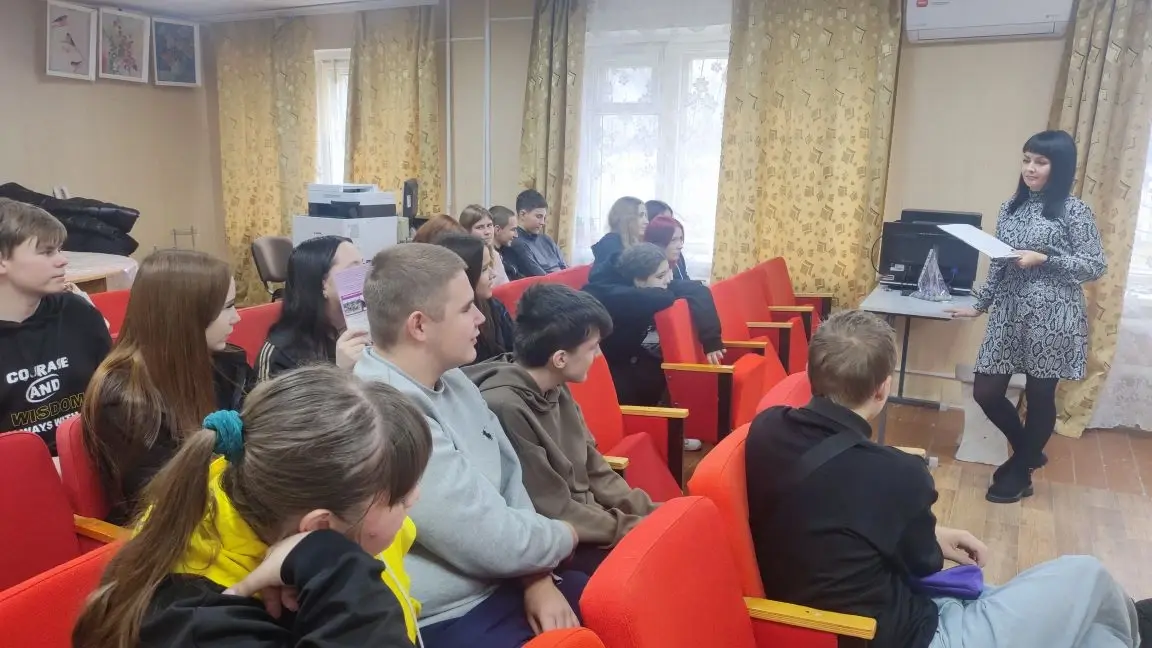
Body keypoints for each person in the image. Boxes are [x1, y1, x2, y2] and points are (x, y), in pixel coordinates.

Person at [746, 310, 1145, 648]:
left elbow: (831, 510)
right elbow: (924, 563)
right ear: (883, 389)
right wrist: (926, 536)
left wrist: (932, 534)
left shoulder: (766, 428)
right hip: (918, 636)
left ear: (810, 372)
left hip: (863, 615)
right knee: (1087, 575)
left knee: (1097, 637)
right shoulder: (899, 474)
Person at [72, 365, 434, 648]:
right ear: (319, 529)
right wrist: (332, 565)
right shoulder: (202, 628)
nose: (415, 498)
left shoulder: (241, 490)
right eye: (400, 498)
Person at [354, 243, 584, 648]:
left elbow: (511, 479)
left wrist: (536, 576)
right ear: (419, 326)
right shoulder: (385, 413)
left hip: (505, 576)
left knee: (610, 594)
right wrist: (568, 534)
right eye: (465, 309)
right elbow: (485, 538)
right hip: (451, 615)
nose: (481, 316)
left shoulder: (453, 377)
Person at [945, 130, 1107, 504]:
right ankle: (1029, 453)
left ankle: (1019, 472)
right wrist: (979, 305)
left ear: (1059, 166)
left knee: (1039, 393)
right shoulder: (1010, 207)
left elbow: (1095, 265)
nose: (1030, 168)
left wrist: (1045, 258)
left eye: (1040, 162)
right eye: (1027, 160)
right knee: (986, 391)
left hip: (1053, 314)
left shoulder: (1074, 210)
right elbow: (998, 263)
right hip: (1009, 311)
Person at [465, 284, 658, 575]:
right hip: (561, 539)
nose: (598, 356)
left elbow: (594, 467)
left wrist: (651, 512)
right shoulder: (504, 406)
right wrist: (634, 528)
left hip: (592, 520)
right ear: (560, 358)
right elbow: (552, 507)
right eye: (592, 347)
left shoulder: (555, 383)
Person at [82, 249, 253, 525]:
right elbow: (161, 502)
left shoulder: (225, 364)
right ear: (186, 315)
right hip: (179, 529)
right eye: (228, 306)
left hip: (232, 506)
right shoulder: (125, 399)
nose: (237, 318)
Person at [0, 199, 112, 452]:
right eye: (47, 252)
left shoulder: (79, 313)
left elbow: (112, 397)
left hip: (90, 459)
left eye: (59, 250)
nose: (62, 260)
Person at [256, 236, 368, 380]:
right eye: (353, 269)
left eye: (364, 265)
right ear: (323, 284)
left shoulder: (366, 325)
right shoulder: (281, 353)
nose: (365, 276)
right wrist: (340, 372)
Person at [434, 234, 515, 364]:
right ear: (465, 273)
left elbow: (514, 349)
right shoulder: (449, 323)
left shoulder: (494, 306)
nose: (493, 274)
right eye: (484, 269)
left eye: (491, 266)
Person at [505, 190, 566, 276]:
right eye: (539, 216)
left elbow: (566, 267)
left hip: (563, 281)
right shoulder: (516, 243)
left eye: (544, 218)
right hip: (549, 284)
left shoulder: (546, 239)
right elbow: (541, 277)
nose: (543, 223)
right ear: (522, 214)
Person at [589, 196, 647, 281]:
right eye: (640, 216)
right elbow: (605, 282)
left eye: (646, 216)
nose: (646, 221)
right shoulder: (611, 243)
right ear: (626, 218)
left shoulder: (633, 243)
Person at [459, 204, 510, 287]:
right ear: (465, 231)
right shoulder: (461, 259)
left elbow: (505, 286)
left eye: (489, 225)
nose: (487, 232)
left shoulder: (495, 255)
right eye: (480, 227)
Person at [643, 206, 691, 281]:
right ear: (658, 241)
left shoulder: (678, 258)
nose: (680, 246)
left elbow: (685, 278)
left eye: (681, 239)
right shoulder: (649, 269)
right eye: (673, 240)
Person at [491, 205, 530, 280]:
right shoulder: (488, 258)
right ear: (497, 230)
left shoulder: (511, 251)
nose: (516, 235)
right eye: (513, 230)